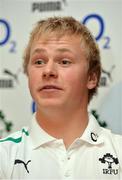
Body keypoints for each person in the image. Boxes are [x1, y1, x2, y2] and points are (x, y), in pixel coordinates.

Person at [0, 16, 122, 179]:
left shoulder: (119, 151)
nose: (48, 70)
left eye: (64, 61)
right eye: (38, 62)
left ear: (91, 78)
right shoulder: (4, 157)